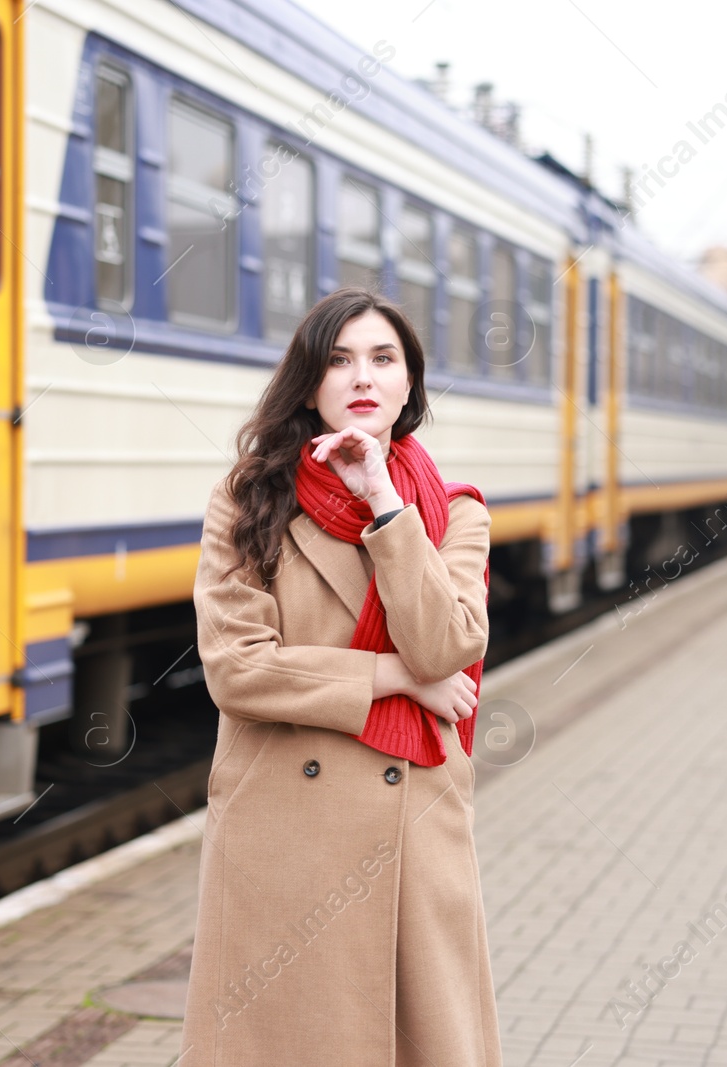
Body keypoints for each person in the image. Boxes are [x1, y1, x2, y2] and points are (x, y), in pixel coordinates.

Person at [179, 287, 503, 1065]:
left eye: (383, 359)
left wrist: (386, 503)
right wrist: (394, 678)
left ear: (407, 386)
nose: (362, 375)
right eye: (339, 359)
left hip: (413, 834)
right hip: (282, 835)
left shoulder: (453, 515)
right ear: (311, 383)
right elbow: (238, 672)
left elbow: (447, 646)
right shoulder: (248, 499)